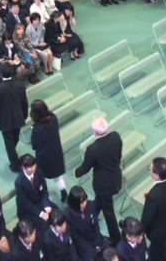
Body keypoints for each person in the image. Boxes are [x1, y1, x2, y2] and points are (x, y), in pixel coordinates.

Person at [74, 117, 122, 246]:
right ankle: (89, 216)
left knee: (109, 213)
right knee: (100, 202)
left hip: (103, 185)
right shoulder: (116, 136)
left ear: (94, 132)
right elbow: (118, 156)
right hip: (115, 177)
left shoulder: (93, 149)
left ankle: (116, 239)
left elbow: (85, 168)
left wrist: (76, 172)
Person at [141, 157, 166, 261]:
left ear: (156, 175)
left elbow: (147, 218)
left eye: (150, 168)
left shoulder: (153, 195)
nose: (149, 169)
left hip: (158, 234)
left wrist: (141, 231)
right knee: (160, 250)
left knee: (156, 253)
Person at [0, 66, 28, 172]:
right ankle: (13, 152)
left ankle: (15, 165)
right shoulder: (20, 85)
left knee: (9, 143)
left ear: (1, 75)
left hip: (5, 120)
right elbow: (24, 102)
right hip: (18, 117)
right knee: (15, 137)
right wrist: (24, 115)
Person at [30, 100, 67, 201]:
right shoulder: (53, 118)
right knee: (57, 175)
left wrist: (33, 128)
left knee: (41, 177)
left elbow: (34, 145)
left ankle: (44, 196)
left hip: (44, 157)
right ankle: (63, 191)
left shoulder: (37, 128)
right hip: (56, 152)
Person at [15, 154, 57, 234]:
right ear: (23, 167)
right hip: (28, 209)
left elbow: (44, 191)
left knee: (56, 212)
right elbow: (25, 203)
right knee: (43, 225)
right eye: (29, 167)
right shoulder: (19, 182)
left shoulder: (39, 172)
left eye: (34, 165)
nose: (33, 168)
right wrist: (41, 213)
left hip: (40, 201)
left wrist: (46, 205)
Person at [65, 186, 108, 261]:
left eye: (85, 200)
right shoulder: (69, 216)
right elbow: (76, 238)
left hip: (95, 237)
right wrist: (91, 249)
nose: (85, 204)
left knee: (109, 252)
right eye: (82, 202)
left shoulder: (91, 205)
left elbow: (96, 225)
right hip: (83, 244)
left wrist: (97, 242)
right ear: (74, 203)